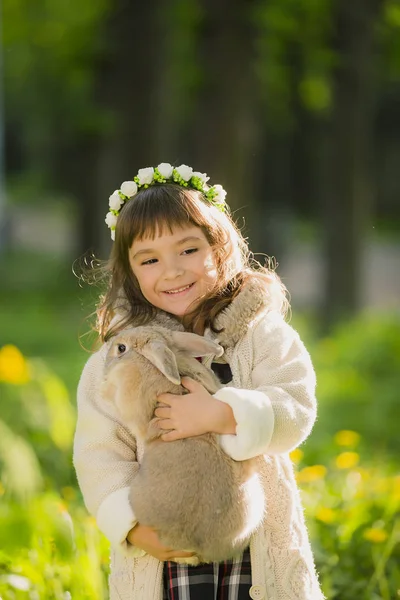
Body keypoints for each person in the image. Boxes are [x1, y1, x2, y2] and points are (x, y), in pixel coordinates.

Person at [73, 162, 325, 600]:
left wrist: (224, 414)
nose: (171, 271)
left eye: (188, 250)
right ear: (131, 272)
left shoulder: (259, 333)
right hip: (165, 549)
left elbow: (296, 404)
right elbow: (99, 453)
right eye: (149, 259)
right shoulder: (117, 360)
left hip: (254, 544)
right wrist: (132, 528)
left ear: (219, 246)